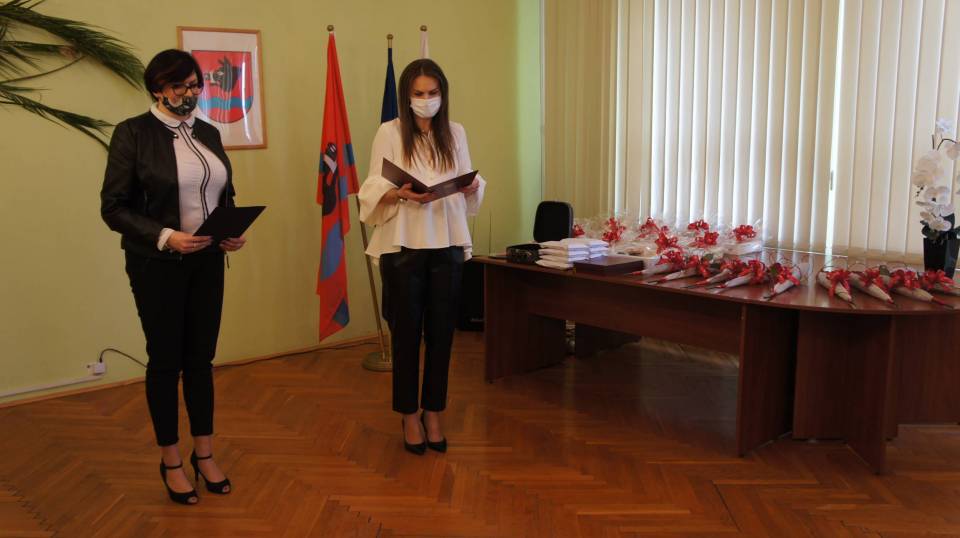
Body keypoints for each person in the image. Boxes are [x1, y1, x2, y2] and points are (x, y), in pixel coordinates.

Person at [101, 49, 244, 504]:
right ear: (157, 89)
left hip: (207, 261)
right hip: (156, 265)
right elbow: (113, 208)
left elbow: (222, 193)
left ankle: (205, 454)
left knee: (201, 360)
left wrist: (229, 230)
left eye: (195, 85)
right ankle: (171, 460)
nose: (189, 93)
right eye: (179, 86)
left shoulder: (208, 132)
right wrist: (166, 236)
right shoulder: (133, 133)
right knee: (165, 361)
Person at [359, 59, 486, 455]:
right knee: (406, 335)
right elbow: (372, 184)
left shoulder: (456, 132)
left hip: (446, 242)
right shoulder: (390, 131)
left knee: (442, 334)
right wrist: (397, 192)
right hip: (403, 245)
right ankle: (409, 415)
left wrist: (472, 186)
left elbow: (469, 177)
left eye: (433, 93)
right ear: (406, 96)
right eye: (419, 93)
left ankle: (434, 412)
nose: (426, 100)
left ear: (442, 95)